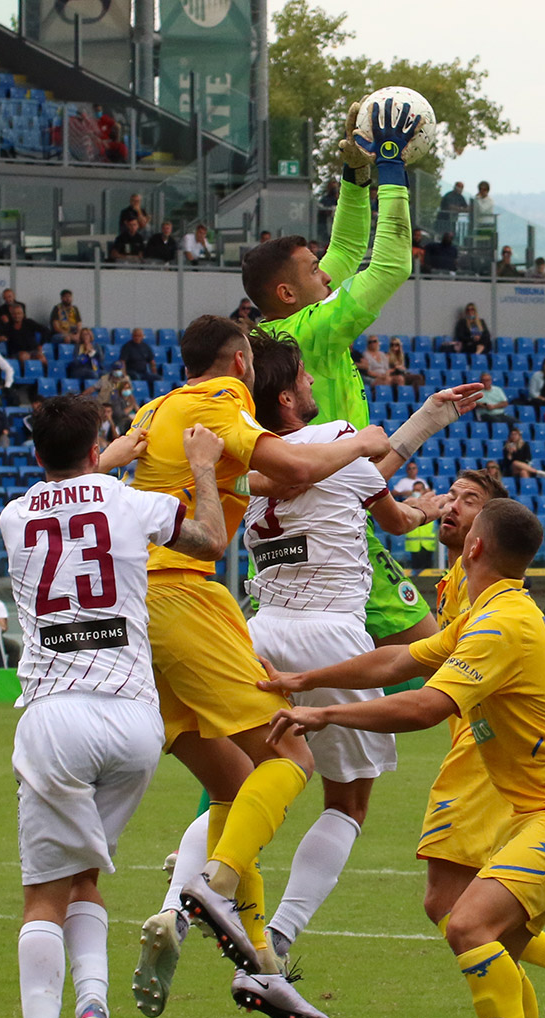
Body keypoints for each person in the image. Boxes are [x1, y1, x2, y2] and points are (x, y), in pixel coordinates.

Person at [264, 497, 545, 1018]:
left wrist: (325, 714)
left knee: (466, 921)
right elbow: (398, 661)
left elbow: (428, 706)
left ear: (475, 548)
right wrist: (304, 679)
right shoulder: (490, 612)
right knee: (497, 942)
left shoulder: (498, 625)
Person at [112, 315, 388, 1018]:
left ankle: (261, 959)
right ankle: (210, 882)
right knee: (291, 755)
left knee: (233, 782)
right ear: (238, 362)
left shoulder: (154, 408)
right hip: (190, 598)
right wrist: (363, 436)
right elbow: (299, 470)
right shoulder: (218, 404)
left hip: (139, 612)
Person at [1, 395, 230, 1018]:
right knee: (86, 880)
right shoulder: (133, 502)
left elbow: (67, 489)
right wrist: (198, 467)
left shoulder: (13, 515)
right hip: (134, 718)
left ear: (35, 452)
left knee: (43, 892)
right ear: (99, 440)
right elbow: (209, 540)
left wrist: (103, 454)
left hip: (54, 712)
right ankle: (94, 1005)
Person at [223, 337, 471, 1001]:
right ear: (287, 395)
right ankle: (275, 937)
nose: (313, 384)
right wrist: (428, 502)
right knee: (347, 802)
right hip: (331, 635)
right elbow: (390, 514)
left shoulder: (242, 461)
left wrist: (419, 427)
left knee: (244, 782)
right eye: (304, 375)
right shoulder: (337, 436)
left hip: (258, 633)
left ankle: (180, 893)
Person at [240, 98, 435, 651]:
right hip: (332, 519)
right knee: (444, 665)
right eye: (312, 269)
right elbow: (392, 263)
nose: (326, 271)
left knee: (301, 681)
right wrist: (391, 166)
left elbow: (348, 247)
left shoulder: (281, 332)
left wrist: (354, 175)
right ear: (287, 292)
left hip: (292, 522)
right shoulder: (315, 330)